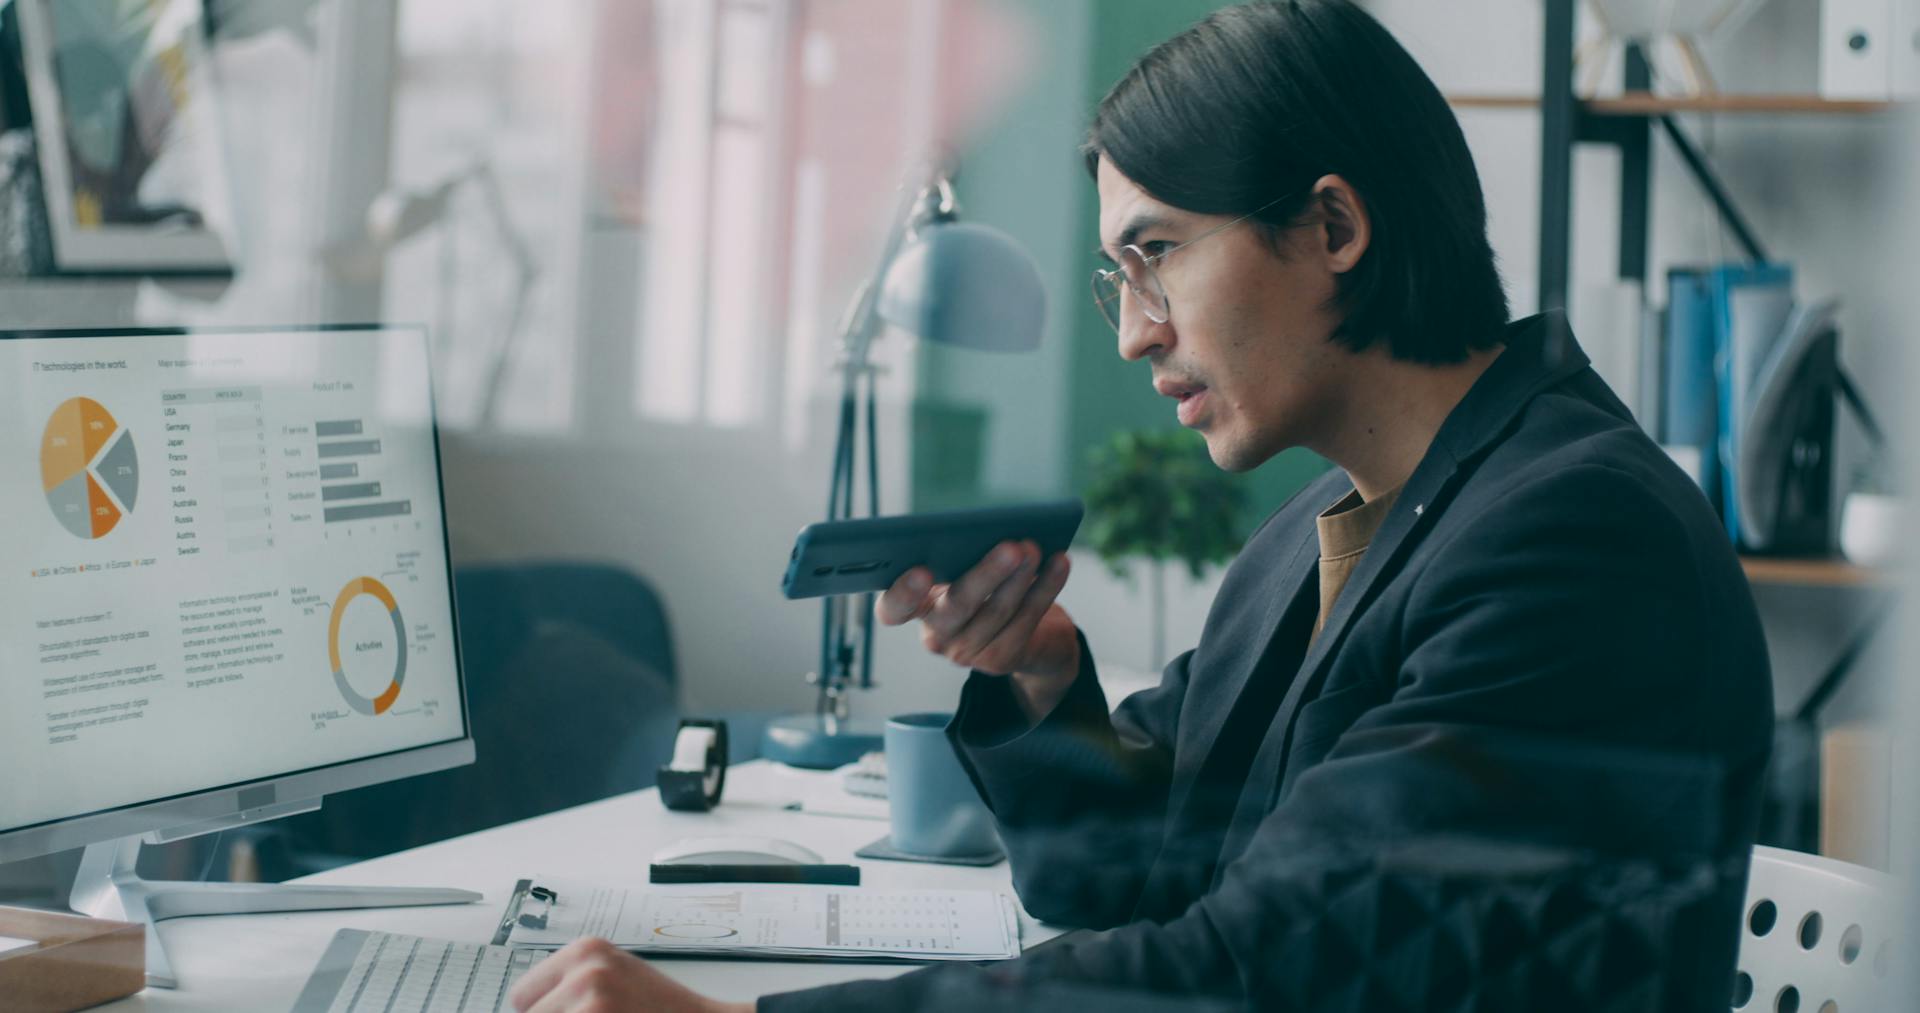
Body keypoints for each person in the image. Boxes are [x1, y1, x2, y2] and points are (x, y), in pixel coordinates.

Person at [510, 2, 1772, 1009]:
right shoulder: (1323, 527)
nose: (1131, 333)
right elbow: (1134, 880)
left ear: (1332, 223)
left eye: (1155, 252)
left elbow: (1253, 969)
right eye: (1115, 273)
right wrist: (1044, 676)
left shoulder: (1581, 545)